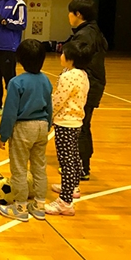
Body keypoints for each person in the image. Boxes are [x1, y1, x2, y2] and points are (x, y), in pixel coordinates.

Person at [0, 39, 52, 222]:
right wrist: (47, 126)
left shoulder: (16, 82)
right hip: (42, 126)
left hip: (23, 128)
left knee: (19, 168)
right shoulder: (46, 80)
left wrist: (3, 135)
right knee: (39, 167)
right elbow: (49, 107)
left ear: (19, 59)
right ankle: (39, 205)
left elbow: (10, 112)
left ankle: (20, 207)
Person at [62, 0, 107, 181]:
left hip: (89, 85)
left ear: (78, 14)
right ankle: (81, 165)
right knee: (83, 125)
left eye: (70, 12)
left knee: (80, 126)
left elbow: (79, 58)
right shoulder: (91, 30)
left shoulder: (85, 35)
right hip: (92, 83)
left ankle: (82, 167)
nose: (69, 16)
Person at [46, 40, 92, 216]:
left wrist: (49, 117)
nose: (61, 56)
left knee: (66, 162)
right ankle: (72, 187)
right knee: (73, 158)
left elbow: (58, 100)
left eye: (64, 53)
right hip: (76, 122)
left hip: (65, 123)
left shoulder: (67, 76)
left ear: (71, 58)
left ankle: (65, 202)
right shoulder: (83, 75)